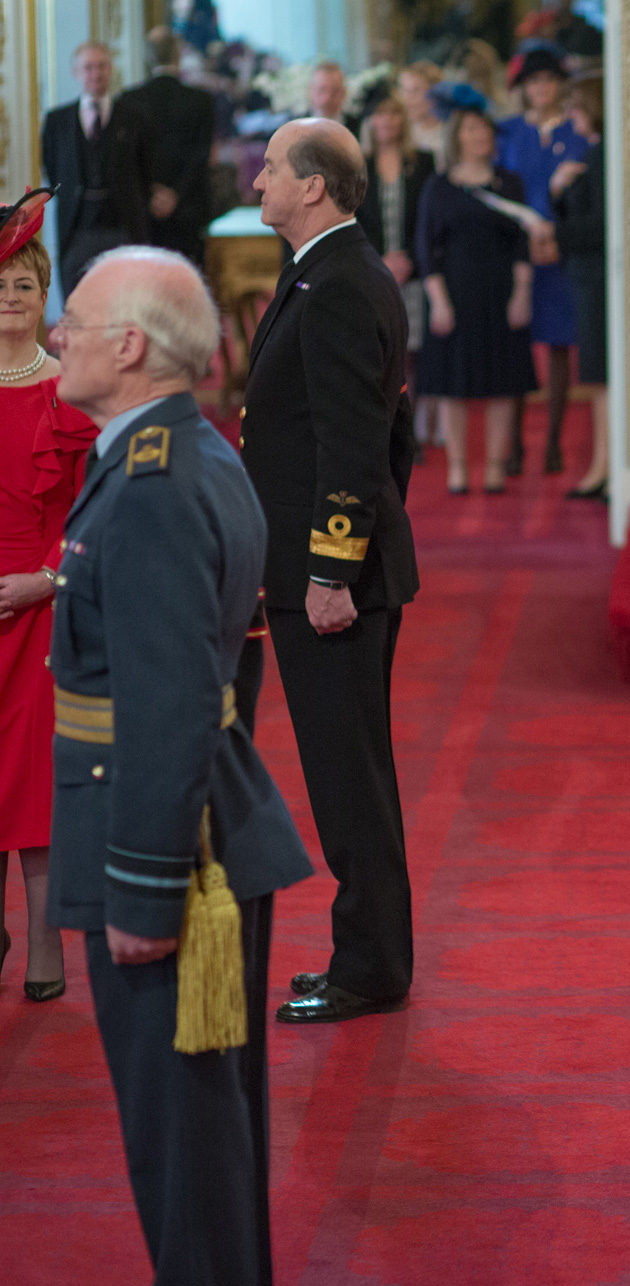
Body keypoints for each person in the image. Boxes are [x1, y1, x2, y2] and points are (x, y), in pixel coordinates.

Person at [45, 243, 312, 1286]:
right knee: (207, 1138)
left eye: (75, 317)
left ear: (129, 346)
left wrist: (147, 894)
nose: (55, 333)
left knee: (182, 1146)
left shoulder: (150, 485)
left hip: (166, 851)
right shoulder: (189, 448)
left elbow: (165, 704)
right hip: (206, 826)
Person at [245, 119, 420, 1025]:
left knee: (348, 775)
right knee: (353, 771)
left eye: (272, 167)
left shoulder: (340, 283)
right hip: (339, 568)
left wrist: (330, 569)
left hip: (332, 583)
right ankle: (372, 954)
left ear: (314, 185)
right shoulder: (327, 270)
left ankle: (369, 966)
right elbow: (396, 440)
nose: (258, 179)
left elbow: (356, 446)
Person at [0, 191, 97, 1003]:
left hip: (42, 602)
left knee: (32, 781)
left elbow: (97, 514)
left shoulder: (71, 393)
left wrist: (48, 579)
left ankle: (43, 938)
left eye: (24, 287)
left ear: (45, 294)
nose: (9, 301)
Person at [416, 107, 537, 494]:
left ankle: (496, 467)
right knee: (454, 385)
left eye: (484, 128)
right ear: (457, 137)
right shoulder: (438, 186)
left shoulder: (509, 183)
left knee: (501, 384)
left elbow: (522, 243)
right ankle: (457, 467)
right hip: (454, 293)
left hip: (501, 292)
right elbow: (426, 246)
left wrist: (521, 293)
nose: (480, 135)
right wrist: (438, 301)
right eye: (471, 128)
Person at [496, 46, 588, 476]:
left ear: (559, 84)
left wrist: (557, 232)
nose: (541, 88)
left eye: (549, 80)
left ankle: (552, 441)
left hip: (563, 250)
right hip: (516, 250)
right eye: (534, 82)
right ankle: (512, 443)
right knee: (515, 347)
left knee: (558, 348)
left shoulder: (578, 131)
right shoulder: (507, 132)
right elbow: (496, 188)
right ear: (523, 88)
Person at [40, 42, 154, 288]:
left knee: (125, 295)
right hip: (76, 227)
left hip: (123, 226)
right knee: (75, 298)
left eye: (101, 66)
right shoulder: (56, 122)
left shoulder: (134, 118)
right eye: (88, 67)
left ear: (110, 69)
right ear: (76, 72)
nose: (95, 73)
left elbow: (145, 171)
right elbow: (51, 168)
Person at [356, 96, 435, 421]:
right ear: (371, 122)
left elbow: (429, 220)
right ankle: (381, 426)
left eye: (393, 115)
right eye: (380, 115)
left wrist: (410, 261)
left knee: (411, 353)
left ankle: (410, 429)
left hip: (412, 272)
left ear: (403, 121)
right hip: (372, 271)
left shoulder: (423, 162)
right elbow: (353, 220)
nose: (387, 122)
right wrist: (380, 260)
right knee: (379, 353)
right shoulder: (359, 165)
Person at [117, 27, 217, 267]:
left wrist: (152, 193)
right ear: (178, 55)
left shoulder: (128, 100)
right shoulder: (201, 101)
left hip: (143, 210)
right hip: (189, 210)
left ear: (148, 58)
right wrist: (176, 194)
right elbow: (202, 156)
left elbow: (126, 160)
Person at [553, 70, 608, 501]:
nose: (571, 114)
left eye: (576, 105)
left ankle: (604, 468)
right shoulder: (596, 154)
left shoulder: (600, 156)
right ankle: (602, 466)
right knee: (597, 378)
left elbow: (597, 227)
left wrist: (561, 195)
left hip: (597, 277)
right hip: (591, 276)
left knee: (601, 378)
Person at [396, 62, 445, 167]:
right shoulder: (398, 131)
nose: (406, 99)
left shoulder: (449, 130)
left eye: (415, 91)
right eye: (404, 91)